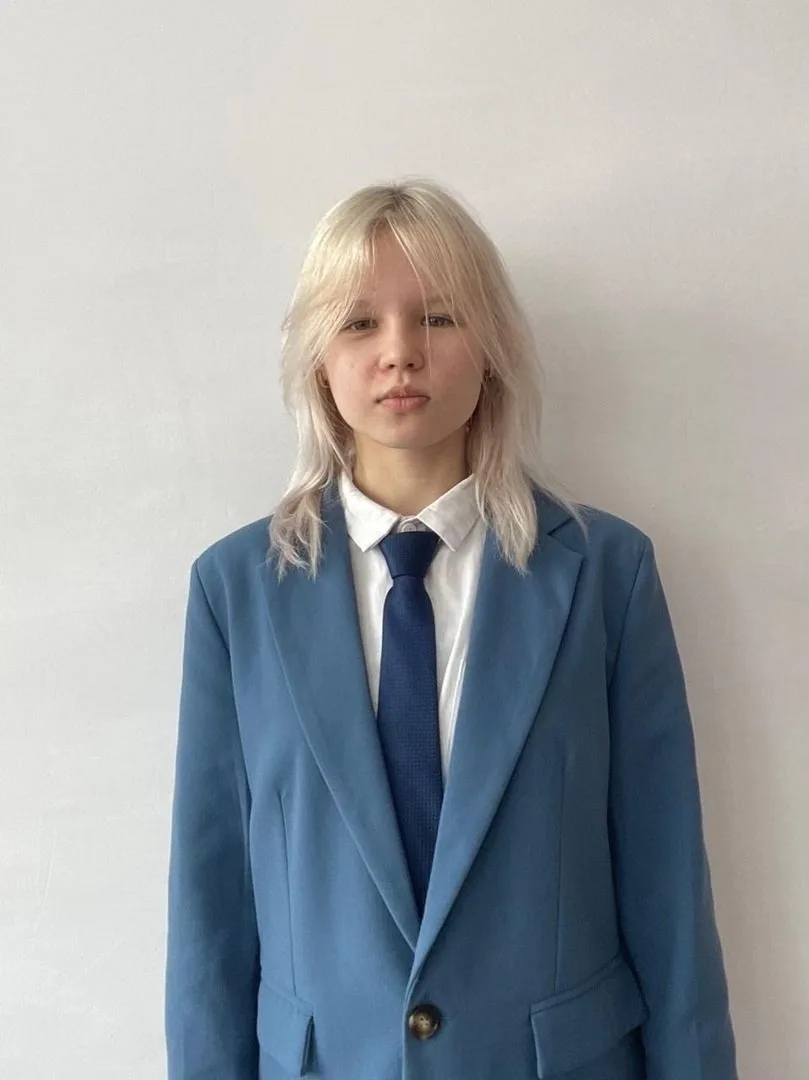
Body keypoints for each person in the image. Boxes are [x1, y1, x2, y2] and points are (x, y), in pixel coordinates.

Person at [164, 178, 738, 1080]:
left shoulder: (604, 576)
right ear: (317, 359)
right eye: (359, 323)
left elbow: (666, 885)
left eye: (437, 317)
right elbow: (211, 906)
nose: (399, 353)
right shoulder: (237, 591)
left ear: (493, 347)